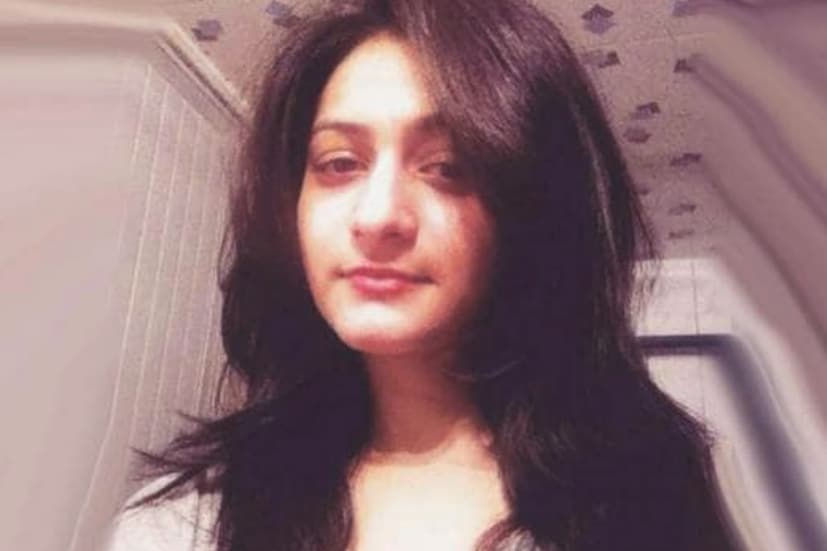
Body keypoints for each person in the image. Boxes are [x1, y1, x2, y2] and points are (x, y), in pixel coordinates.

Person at [108, 0, 743, 549]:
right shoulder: (187, 521)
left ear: (531, 210)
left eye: (447, 167)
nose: (378, 216)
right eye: (338, 163)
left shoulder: (648, 496)